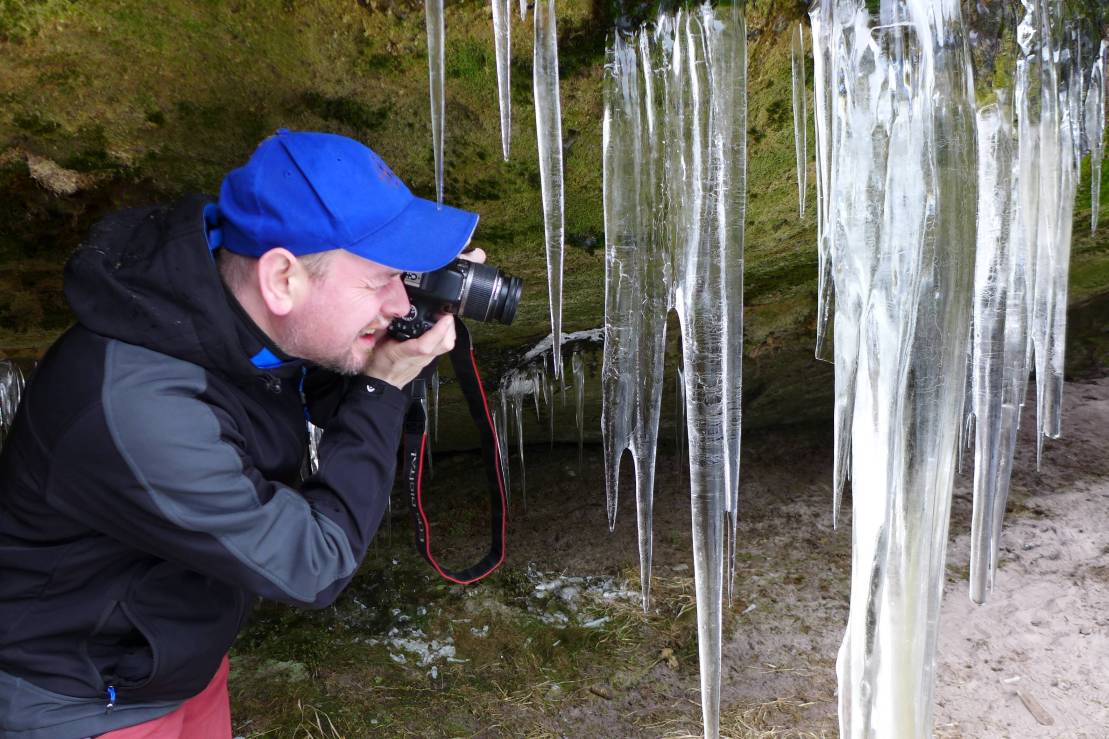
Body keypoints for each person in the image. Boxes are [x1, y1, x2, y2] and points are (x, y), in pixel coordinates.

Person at [0, 130, 484, 739]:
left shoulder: (220, 299)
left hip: (173, 655)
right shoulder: (140, 406)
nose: (397, 301)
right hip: (79, 700)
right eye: (381, 278)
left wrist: (384, 340)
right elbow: (315, 562)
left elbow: (307, 376)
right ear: (281, 278)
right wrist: (381, 386)